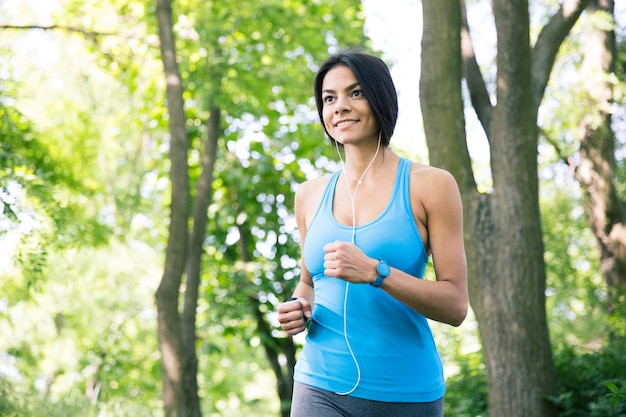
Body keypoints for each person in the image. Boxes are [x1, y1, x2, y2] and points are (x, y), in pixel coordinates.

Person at [277, 51, 468, 417]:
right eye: (329, 98)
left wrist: (376, 273)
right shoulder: (309, 194)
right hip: (318, 386)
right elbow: (309, 283)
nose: (340, 107)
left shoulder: (431, 186)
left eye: (356, 93)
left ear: (380, 98)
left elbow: (456, 305)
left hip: (405, 393)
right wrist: (299, 309)